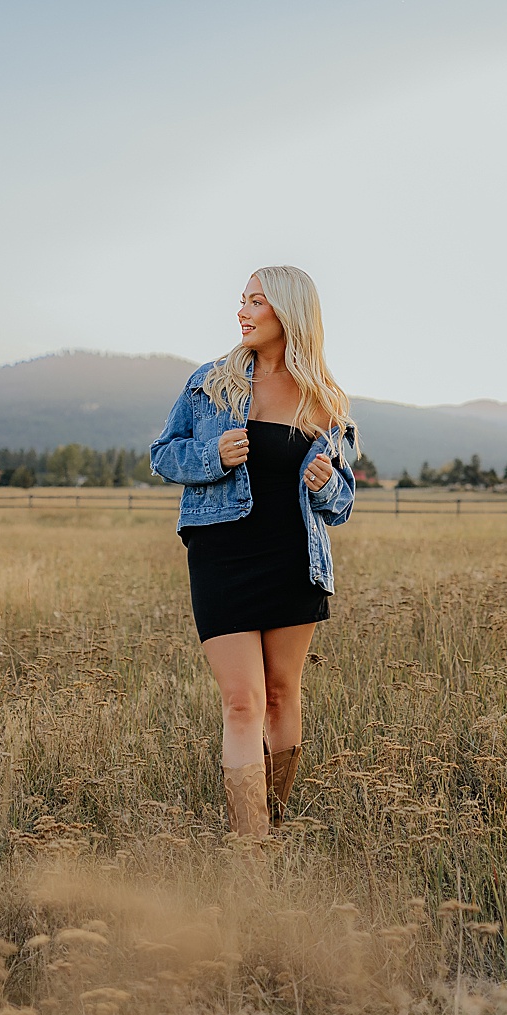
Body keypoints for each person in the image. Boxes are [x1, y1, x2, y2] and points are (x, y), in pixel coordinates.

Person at [150, 266, 357, 837]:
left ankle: (277, 818)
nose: (242, 311)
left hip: (293, 560)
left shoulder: (324, 400)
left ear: (288, 313)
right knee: (242, 701)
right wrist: (211, 453)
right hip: (222, 556)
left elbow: (341, 503)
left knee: (282, 693)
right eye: (242, 300)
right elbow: (162, 455)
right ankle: (252, 847)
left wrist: (324, 484)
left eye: (256, 302)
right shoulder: (210, 384)